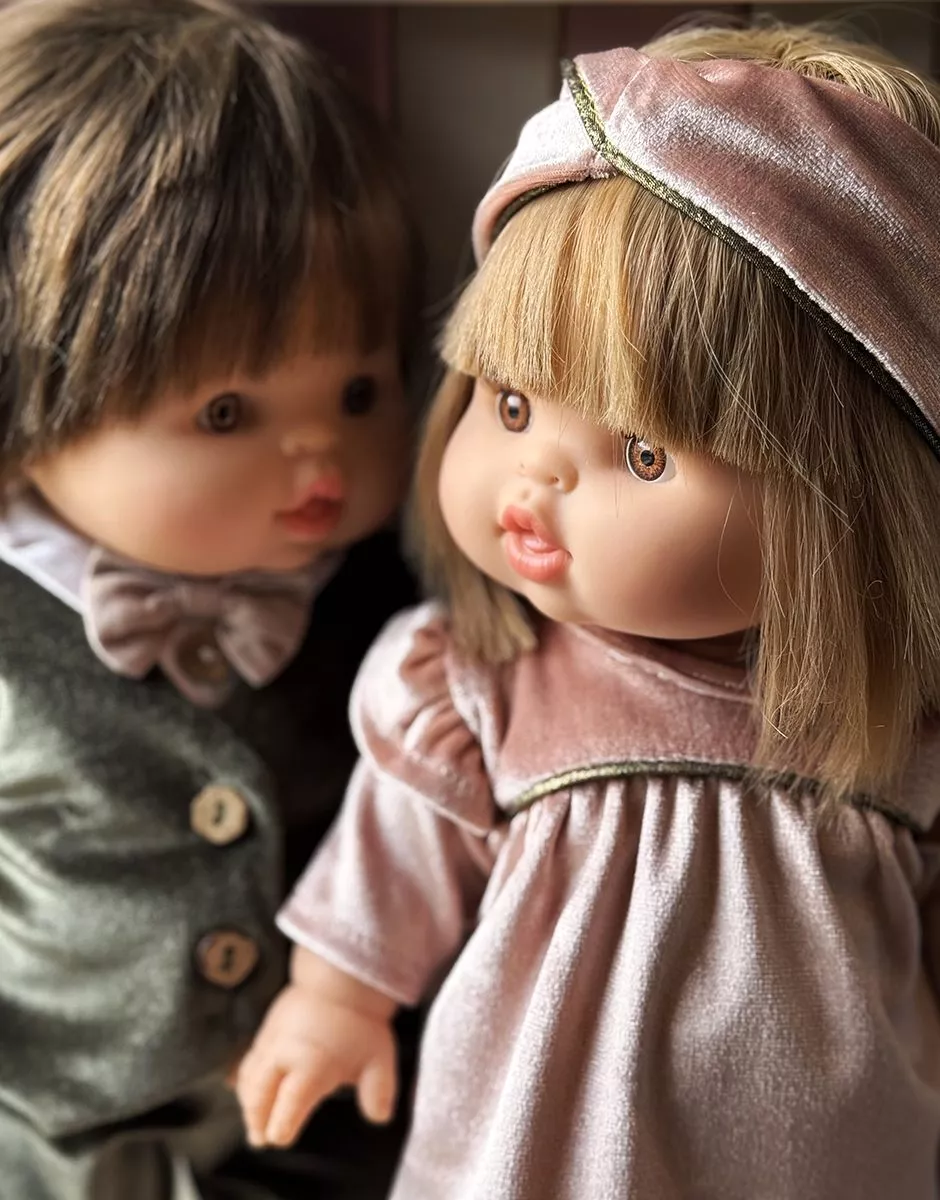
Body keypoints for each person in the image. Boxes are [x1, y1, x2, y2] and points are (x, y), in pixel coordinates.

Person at [236, 20, 940, 1200]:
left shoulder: (897, 735)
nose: (534, 479)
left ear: (850, 505)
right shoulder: (480, 686)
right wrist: (332, 1004)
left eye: (643, 454)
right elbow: (391, 863)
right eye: (508, 405)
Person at [0, 0, 420, 1195]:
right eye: (226, 412)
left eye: (359, 391)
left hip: (344, 1135)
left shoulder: (398, 601)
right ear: (27, 410)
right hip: (48, 1144)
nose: (320, 461)